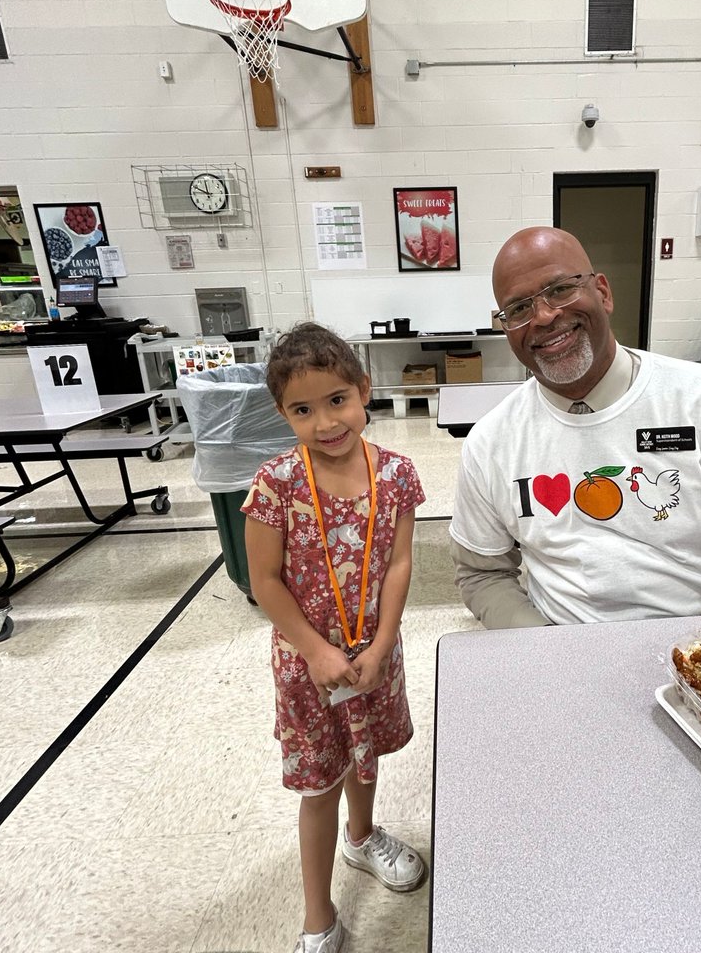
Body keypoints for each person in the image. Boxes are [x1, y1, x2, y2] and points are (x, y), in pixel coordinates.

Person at [449, 227, 701, 628]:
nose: (545, 316)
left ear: (602, 293)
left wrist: (689, 663)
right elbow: (482, 574)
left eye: (559, 289)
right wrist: (544, 648)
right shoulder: (491, 443)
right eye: (518, 309)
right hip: (560, 648)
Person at [244, 323, 426, 953]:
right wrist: (318, 650)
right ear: (282, 414)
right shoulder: (277, 483)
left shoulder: (397, 474)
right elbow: (263, 580)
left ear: (364, 390)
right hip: (308, 666)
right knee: (319, 781)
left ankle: (363, 835)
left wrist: (381, 644)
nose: (325, 422)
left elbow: (400, 564)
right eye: (303, 409)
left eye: (337, 400)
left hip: (376, 653)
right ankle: (318, 914)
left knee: (365, 753)